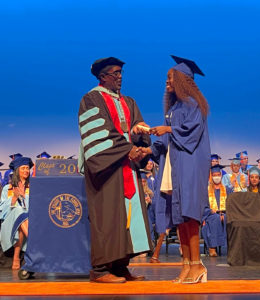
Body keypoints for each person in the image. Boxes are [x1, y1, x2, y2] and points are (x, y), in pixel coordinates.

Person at [78, 57, 152, 283]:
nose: (119, 77)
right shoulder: (91, 99)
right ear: (102, 76)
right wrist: (127, 149)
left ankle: (120, 267)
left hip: (127, 168)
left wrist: (140, 144)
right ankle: (99, 269)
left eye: (121, 73)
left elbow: (138, 127)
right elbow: (98, 134)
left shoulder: (129, 101)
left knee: (127, 216)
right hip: (106, 169)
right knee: (107, 217)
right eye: (115, 73)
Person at [142, 55, 211, 283]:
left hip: (189, 165)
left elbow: (190, 134)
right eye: (166, 79)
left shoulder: (194, 105)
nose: (167, 82)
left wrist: (168, 130)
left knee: (190, 215)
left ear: (182, 79)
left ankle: (197, 265)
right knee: (179, 216)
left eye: (170, 78)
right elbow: (166, 142)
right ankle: (186, 266)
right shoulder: (175, 108)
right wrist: (149, 146)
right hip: (174, 166)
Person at [0, 157, 33, 270]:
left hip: (28, 220)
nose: (26, 170)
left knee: (21, 214)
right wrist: (14, 198)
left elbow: (35, 208)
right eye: (23, 168)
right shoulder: (7, 189)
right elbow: (2, 212)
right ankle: (35, 243)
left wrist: (24, 197)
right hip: (9, 223)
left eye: (27, 168)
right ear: (17, 171)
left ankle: (16, 257)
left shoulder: (33, 188)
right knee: (18, 211)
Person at [202, 165, 232, 257]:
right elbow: (203, 206)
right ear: (211, 176)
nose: (217, 177)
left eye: (218, 175)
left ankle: (231, 248)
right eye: (214, 175)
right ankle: (212, 247)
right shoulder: (206, 190)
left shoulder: (228, 190)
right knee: (215, 219)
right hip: (211, 214)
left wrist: (224, 213)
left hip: (226, 213)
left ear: (221, 175)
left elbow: (232, 205)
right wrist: (210, 211)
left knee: (228, 218)